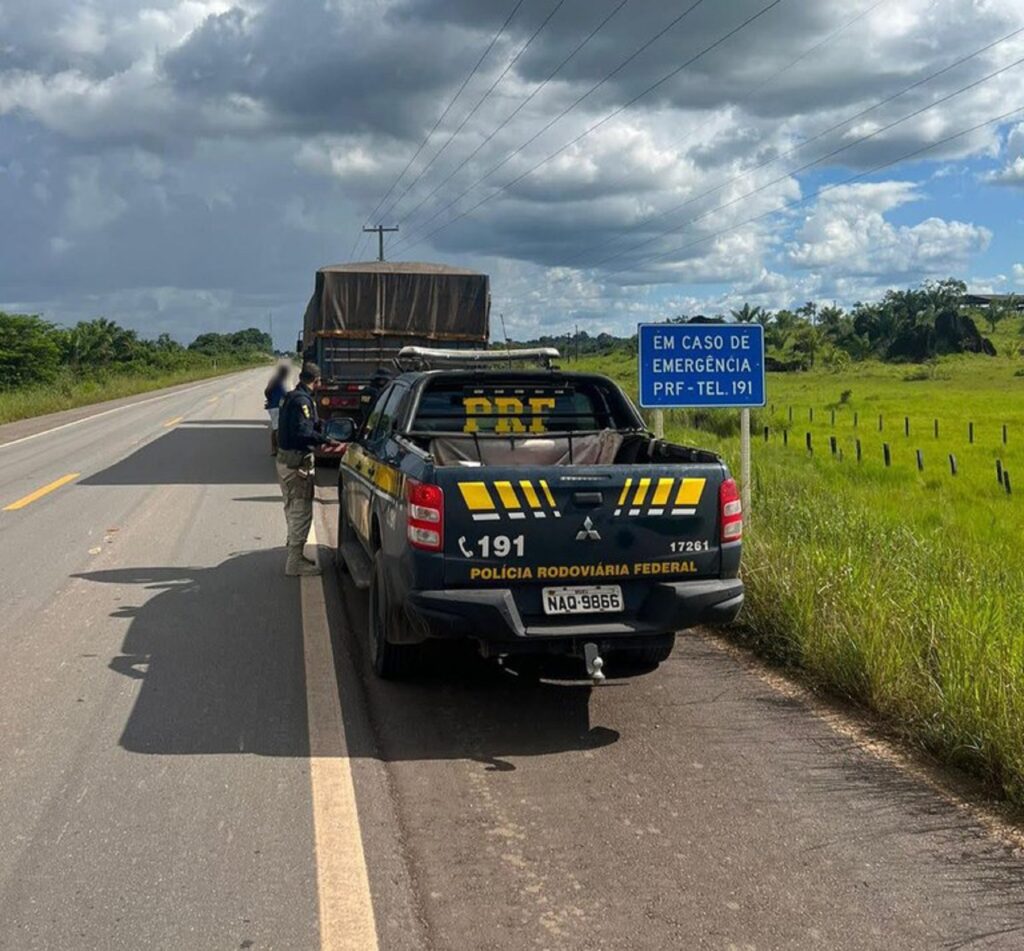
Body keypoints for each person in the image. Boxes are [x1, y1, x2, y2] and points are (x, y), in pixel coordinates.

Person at [276, 362, 338, 576]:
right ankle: (294, 563)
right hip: (296, 465)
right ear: (316, 381)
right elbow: (303, 432)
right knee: (301, 512)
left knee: (291, 507)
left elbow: (301, 426)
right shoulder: (302, 400)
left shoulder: (293, 397)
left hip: (286, 462)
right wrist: (324, 439)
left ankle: (295, 551)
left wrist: (318, 426)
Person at [264, 364, 289, 455]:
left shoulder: (279, 381)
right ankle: (275, 448)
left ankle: (276, 448)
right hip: (274, 407)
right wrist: (270, 399)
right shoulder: (276, 380)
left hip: (278, 406)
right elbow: (267, 391)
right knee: (276, 428)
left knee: (277, 428)